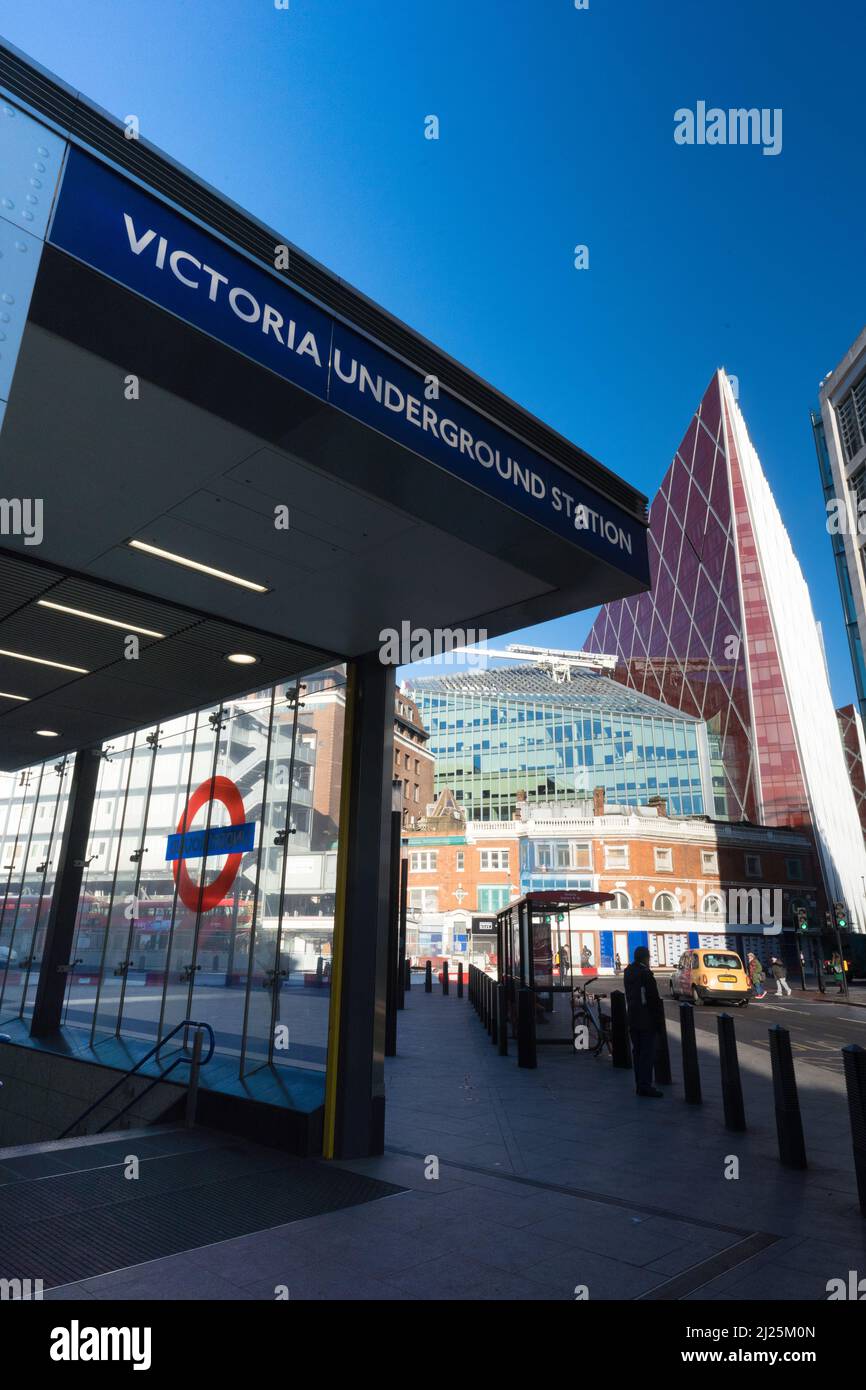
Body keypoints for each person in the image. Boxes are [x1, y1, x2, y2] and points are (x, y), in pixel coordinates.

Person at [623, 946, 664, 1098]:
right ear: (645, 958)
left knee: (638, 1052)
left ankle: (639, 1083)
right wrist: (658, 1021)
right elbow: (653, 999)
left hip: (633, 1017)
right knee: (647, 1053)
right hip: (646, 1019)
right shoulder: (646, 975)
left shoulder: (629, 973)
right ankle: (645, 1085)